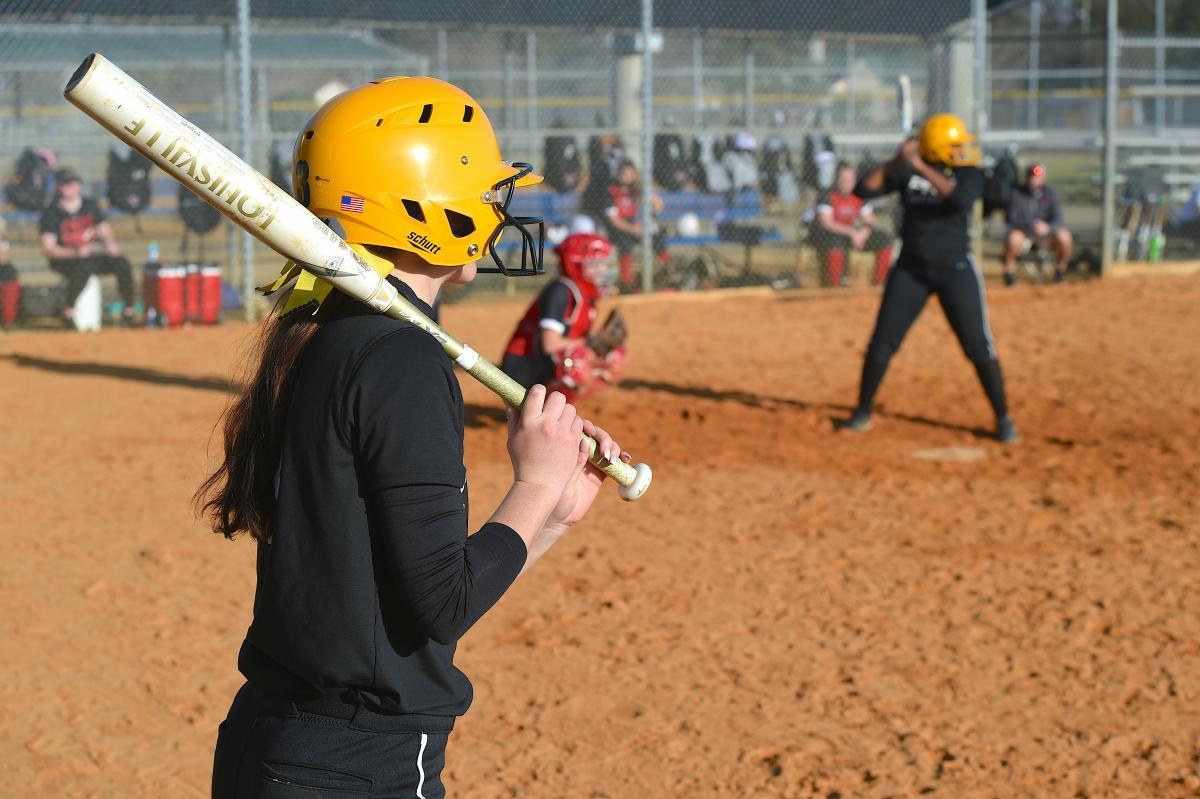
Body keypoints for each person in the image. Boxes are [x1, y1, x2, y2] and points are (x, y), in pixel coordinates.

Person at [198, 77, 627, 799]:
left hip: (280, 743)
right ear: (426, 210)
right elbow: (441, 604)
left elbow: (402, 598)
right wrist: (533, 482)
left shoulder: (323, 332)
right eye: (486, 194)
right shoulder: (402, 360)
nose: (498, 212)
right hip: (357, 766)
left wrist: (549, 514)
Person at [843, 113, 1018, 443]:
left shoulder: (969, 172)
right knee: (882, 342)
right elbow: (863, 189)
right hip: (911, 269)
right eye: (953, 146)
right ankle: (863, 410)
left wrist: (921, 167)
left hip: (956, 270)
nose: (961, 150)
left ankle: (1003, 417)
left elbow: (960, 200)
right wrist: (899, 159)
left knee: (978, 345)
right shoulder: (907, 169)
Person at [501, 232, 628, 402]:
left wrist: (600, 345)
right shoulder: (561, 290)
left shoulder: (585, 294)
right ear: (575, 265)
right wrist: (592, 343)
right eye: (595, 264)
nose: (603, 269)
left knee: (614, 356)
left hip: (545, 360)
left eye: (603, 264)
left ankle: (566, 404)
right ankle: (542, 406)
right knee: (577, 360)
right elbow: (550, 344)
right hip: (523, 367)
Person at [38, 167, 136, 327]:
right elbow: (48, 248)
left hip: (91, 256)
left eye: (74, 183)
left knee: (122, 264)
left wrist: (110, 245)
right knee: (83, 267)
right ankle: (68, 311)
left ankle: (129, 310)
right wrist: (75, 252)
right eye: (66, 184)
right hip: (66, 260)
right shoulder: (51, 213)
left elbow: (104, 230)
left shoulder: (90, 205)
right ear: (59, 187)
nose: (72, 187)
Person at [811, 161, 895, 287]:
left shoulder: (859, 194)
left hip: (855, 235)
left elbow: (870, 219)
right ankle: (835, 286)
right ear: (836, 179)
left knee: (884, 239)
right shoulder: (826, 195)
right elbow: (827, 223)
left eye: (850, 179)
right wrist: (852, 232)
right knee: (835, 242)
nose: (847, 182)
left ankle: (879, 283)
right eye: (843, 179)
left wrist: (863, 233)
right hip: (830, 235)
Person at [1002, 163, 1072, 284]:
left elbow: (1058, 218)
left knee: (1065, 236)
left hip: (1047, 234)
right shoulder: (1016, 194)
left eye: (1037, 176)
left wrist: (1048, 228)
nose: (1033, 179)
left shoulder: (1051, 194)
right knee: (1013, 238)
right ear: (1026, 177)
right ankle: (1009, 273)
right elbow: (1011, 219)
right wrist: (1030, 226)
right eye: (1031, 176)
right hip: (1024, 233)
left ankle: (1060, 272)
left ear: (1043, 178)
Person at [603, 159, 668, 290]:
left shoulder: (637, 189)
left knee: (657, 237)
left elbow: (658, 206)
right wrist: (633, 229)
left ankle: (667, 269)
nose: (628, 177)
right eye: (624, 173)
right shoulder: (611, 191)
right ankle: (626, 280)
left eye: (630, 174)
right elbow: (614, 220)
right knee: (625, 242)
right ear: (619, 174)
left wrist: (653, 202)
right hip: (619, 227)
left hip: (635, 224)